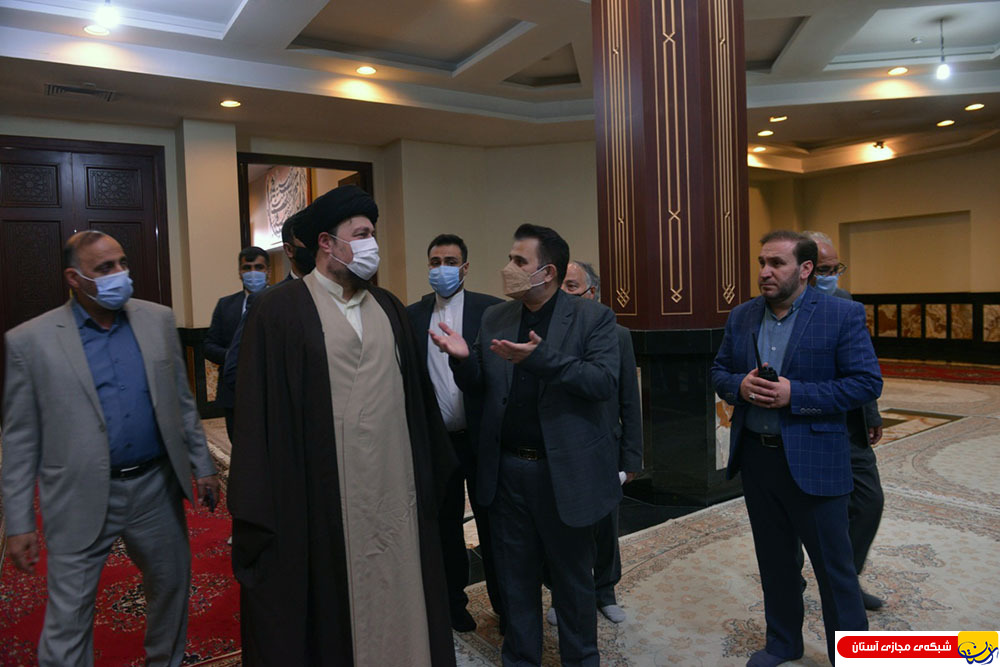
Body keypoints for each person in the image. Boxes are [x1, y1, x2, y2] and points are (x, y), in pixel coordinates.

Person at [227, 185, 457, 667]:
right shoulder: (280, 310)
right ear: (327, 243)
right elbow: (256, 414)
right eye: (362, 234)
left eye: (373, 233)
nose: (372, 244)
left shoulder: (389, 307)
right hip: (319, 500)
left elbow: (417, 406)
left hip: (394, 495)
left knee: (402, 589)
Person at [1, 230, 220, 667]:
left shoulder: (157, 320)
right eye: (105, 268)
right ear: (74, 278)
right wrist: (19, 520)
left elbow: (181, 400)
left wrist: (203, 464)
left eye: (122, 263)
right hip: (78, 495)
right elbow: (20, 437)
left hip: (155, 489)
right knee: (68, 616)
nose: (120, 274)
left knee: (171, 587)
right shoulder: (30, 341)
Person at [431, 224, 620, 667]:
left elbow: (602, 382)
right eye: (510, 259)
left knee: (572, 580)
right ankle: (520, 658)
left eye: (519, 261)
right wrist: (463, 361)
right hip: (507, 470)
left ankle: (581, 659)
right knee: (514, 578)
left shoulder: (593, 318)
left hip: (564, 472)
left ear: (547, 272)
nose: (508, 268)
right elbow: (481, 385)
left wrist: (542, 360)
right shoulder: (497, 317)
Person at [711, 230, 883, 667]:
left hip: (817, 459)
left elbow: (866, 383)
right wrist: (739, 385)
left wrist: (796, 395)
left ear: (805, 269)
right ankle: (783, 643)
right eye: (761, 263)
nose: (765, 272)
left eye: (777, 263)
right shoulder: (742, 316)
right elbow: (719, 371)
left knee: (834, 568)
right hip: (758, 457)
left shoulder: (841, 314)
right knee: (775, 561)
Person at [406, 234, 503, 633]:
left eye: (450, 261)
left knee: (494, 526)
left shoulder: (492, 311)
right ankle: (452, 604)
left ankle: (506, 607)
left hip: (481, 439)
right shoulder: (412, 316)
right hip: (437, 443)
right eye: (435, 262)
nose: (441, 269)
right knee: (445, 527)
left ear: (465, 267)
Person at [549, 260, 642, 626]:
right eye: (560, 287)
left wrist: (631, 458)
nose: (564, 294)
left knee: (605, 527)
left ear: (593, 294)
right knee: (560, 528)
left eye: (572, 287)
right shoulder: (546, 336)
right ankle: (561, 593)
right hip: (560, 448)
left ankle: (605, 592)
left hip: (604, 447)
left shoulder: (618, 336)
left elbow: (629, 399)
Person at [803, 230, 885, 611]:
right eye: (825, 270)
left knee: (869, 501)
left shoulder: (845, 301)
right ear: (805, 270)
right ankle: (828, 585)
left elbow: (862, 363)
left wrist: (871, 412)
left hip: (849, 426)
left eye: (837, 269)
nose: (832, 276)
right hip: (808, 429)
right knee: (811, 515)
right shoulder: (782, 308)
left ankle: (845, 579)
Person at [216, 214, 312, 423]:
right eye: (247, 268)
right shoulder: (267, 301)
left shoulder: (343, 294)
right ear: (289, 250)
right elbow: (233, 369)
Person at [204, 246, 269, 438]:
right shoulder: (225, 305)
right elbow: (209, 346)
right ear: (239, 272)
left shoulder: (282, 301)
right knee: (239, 443)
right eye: (247, 268)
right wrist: (234, 356)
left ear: (268, 271)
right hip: (234, 393)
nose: (253, 273)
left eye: (259, 267)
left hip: (271, 391)